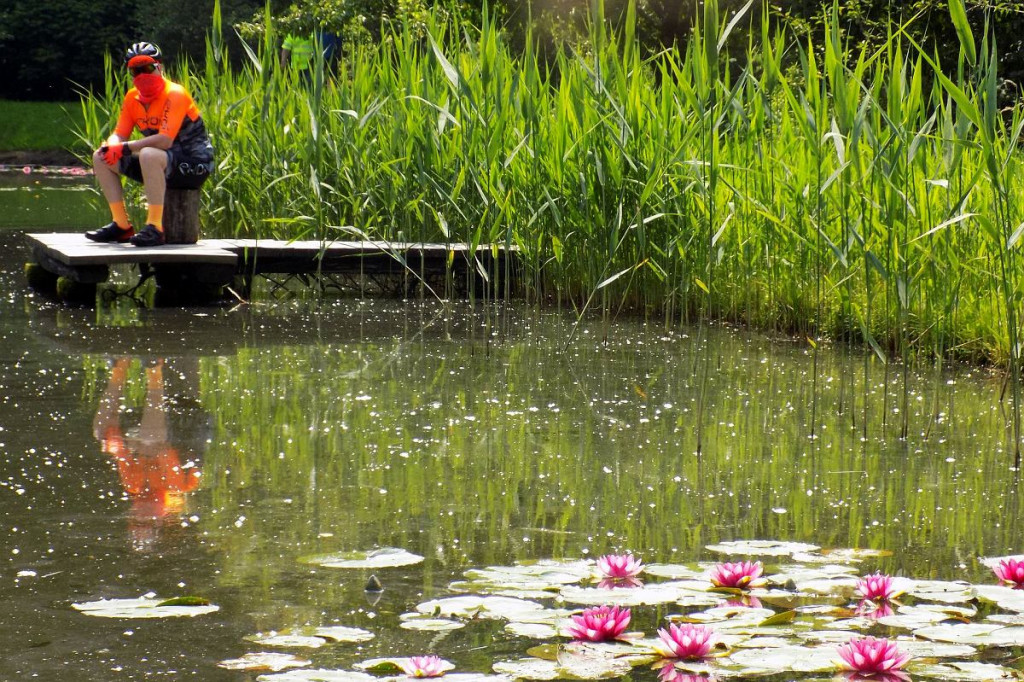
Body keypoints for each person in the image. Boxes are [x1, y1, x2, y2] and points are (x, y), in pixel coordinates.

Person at [86, 42, 215, 247]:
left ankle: (155, 228)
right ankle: (121, 225)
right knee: (100, 156)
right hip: (160, 164)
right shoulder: (132, 98)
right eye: (136, 70)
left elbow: (164, 141)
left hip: (194, 165)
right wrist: (111, 145)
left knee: (148, 154)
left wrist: (125, 147)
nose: (143, 75)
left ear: (160, 68)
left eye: (148, 67)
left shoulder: (175, 93)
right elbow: (119, 133)